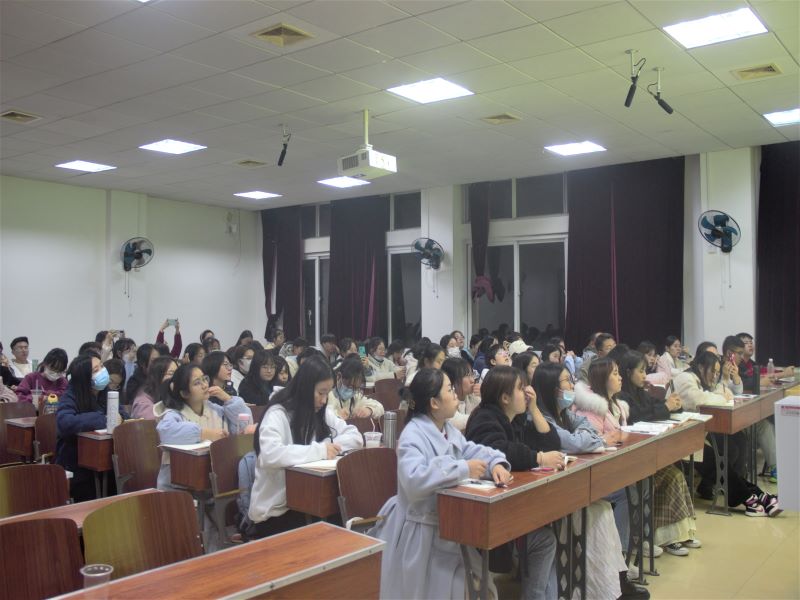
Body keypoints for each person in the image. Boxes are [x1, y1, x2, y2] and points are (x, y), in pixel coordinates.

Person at [370, 368, 512, 600]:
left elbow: (471, 450)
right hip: (421, 534)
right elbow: (414, 480)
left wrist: (495, 462)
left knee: (481, 589)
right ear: (434, 403)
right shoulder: (412, 435)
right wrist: (462, 469)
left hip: (450, 529)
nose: (455, 393)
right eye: (449, 389)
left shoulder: (447, 429)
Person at [533, 362, 645, 600]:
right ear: (552, 388)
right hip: (552, 495)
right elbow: (576, 442)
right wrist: (592, 440)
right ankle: (602, 586)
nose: (572, 385)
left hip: (571, 486)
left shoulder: (565, 414)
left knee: (604, 509)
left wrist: (587, 439)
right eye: (567, 381)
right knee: (603, 510)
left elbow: (587, 433)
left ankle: (612, 582)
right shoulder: (542, 419)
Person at [465, 366, 562, 599]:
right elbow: (500, 451)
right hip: (485, 516)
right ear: (505, 398)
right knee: (545, 540)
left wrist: (534, 408)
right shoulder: (484, 418)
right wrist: (539, 458)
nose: (528, 392)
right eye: (521, 388)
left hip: (510, 505)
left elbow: (551, 443)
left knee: (548, 533)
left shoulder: (514, 419)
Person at [248, 356, 362, 537]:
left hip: (309, 502)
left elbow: (355, 437)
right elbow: (270, 454)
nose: (324, 400)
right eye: (321, 393)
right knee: (328, 531)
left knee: (344, 519)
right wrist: (320, 450)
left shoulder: (320, 411)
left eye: (327, 393)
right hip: (276, 510)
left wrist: (328, 446)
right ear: (305, 388)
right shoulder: (278, 413)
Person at [674, 352, 780, 516]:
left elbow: (727, 393)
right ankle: (751, 497)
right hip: (677, 440)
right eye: (712, 371)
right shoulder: (685, 379)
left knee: (722, 462)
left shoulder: (702, 380)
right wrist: (720, 396)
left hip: (694, 437)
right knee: (717, 464)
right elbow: (700, 400)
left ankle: (756, 495)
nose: (714, 376)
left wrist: (720, 386)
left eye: (717, 372)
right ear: (701, 367)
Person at [617, 351, 700, 556]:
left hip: (647, 457)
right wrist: (665, 407)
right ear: (628, 372)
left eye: (645, 370)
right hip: (632, 461)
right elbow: (637, 416)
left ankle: (673, 535)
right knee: (670, 477)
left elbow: (655, 406)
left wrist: (674, 404)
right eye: (641, 371)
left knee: (675, 475)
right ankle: (648, 538)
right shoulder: (622, 397)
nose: (645, 375)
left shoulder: (640, 392)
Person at [573, 358, 637, 571]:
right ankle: (620, 557)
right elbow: (590, 444)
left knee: (641, 482)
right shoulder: (591, 408)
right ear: (602, 378)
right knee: (627, 493)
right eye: (615, 374)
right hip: (596, 473)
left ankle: (633, 544)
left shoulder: (616, 405)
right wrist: (610, 439)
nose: (620, 378)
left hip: (615, 466)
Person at [155, 363, 253, 491]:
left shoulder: (215, 410)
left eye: (204, 379)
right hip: (178, 487)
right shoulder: (174, 414)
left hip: (211, 482)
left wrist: (228, 399)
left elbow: (243, 424)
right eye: (197, 383)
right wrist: (204, 433)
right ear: (185, 393)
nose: (205, 385)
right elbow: (166, 431)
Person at [56, 353, 115, 502]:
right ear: (85, 377)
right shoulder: (71, 395)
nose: (102, 371)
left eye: (102, 366)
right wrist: (100, 418)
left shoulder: (106, 392)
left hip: (106, 458)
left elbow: (122, 415)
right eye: (96, 370)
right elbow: (65, 423)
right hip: (77, 460)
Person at [736, 333, 777, 482]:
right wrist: (760, 381)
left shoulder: (752, 364)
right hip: (738, 414)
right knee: (764, 424)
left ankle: (778, 464)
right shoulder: (734, 366)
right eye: (746, 343)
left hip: (748, 409)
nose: (750, 345)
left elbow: (763, 376)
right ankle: (775, 467)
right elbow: (744, 383)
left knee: (771, 419)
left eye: (751, 342)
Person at [327, 354, 383, 420]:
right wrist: (337, 415)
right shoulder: (328, 396)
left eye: (355, 388)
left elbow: (380, 407)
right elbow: (324, 415)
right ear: (339, 377)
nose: (351, 391)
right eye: (349, 386)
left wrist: (369, 410)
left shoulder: (355, 396)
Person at [131, 356, 179, 420]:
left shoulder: (174, 396)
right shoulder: (142, 402)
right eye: (171, 373)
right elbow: (154, 422)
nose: (176, 378)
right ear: (157, 376)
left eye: (177, 373)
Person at [441, 357, 481, 431]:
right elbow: (456, 421)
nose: (472, 380)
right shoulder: (446, 400)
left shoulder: (473, 396)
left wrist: (485, 396)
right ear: (452, 380)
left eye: (472, 374)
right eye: (467, 375)